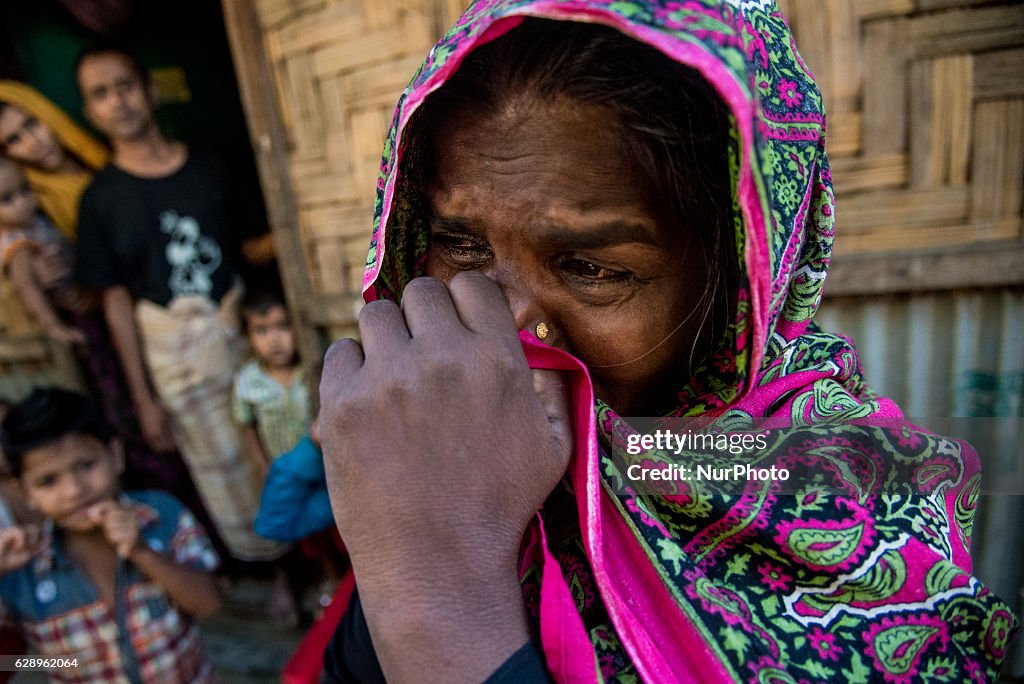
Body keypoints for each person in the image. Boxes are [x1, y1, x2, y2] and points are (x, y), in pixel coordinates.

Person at [316, 1, 1018, 682]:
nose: (502, 320)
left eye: (593, 268)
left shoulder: (849, 513)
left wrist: (439, 607)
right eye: (459, 245)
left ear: (740, 287)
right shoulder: (431, 457)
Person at [74, 43, 282, 563]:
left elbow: (254, 249)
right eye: (100, 95)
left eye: (124, 86)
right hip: (180, 368)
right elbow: (117, 301)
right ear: (89, 112)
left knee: (278, 450)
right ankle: (274, 573)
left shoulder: (210, 167)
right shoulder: (100, 199)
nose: (117, 102)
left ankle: (318, 563)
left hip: (247, 344)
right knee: (223, 475)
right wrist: (144, 398)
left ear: (148, 91)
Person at [0, 387, 221, 683]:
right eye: (48, 481)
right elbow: (7, 662)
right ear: (24, 492)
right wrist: (53, 663)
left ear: (115, 456)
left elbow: (209, 603)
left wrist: (143, 553)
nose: (75, 490)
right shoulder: (18, 573)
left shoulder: (162, 516)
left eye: (86, 466)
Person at [0, 80, 108, 240]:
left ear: (48, 115)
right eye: (13, 140)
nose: (33, 143)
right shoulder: (38, 209)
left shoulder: (104, 149)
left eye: (31, 124)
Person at [0, 157, 86, 346]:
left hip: (81, 296)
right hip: (69, 314)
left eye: (24, 189)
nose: (22, 202)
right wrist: (54, 326)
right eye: (7, 199)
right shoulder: (17, 244)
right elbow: (26, 285)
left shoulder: (36, 222)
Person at [234, 287, 313, 478]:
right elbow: (247, 427)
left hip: (322, 466)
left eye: (282, 326)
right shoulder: (247, 381)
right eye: (261, 331)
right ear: (248, 337)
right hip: (281, 470)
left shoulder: (311, 368)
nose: (274, 340)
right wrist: (263, 467)